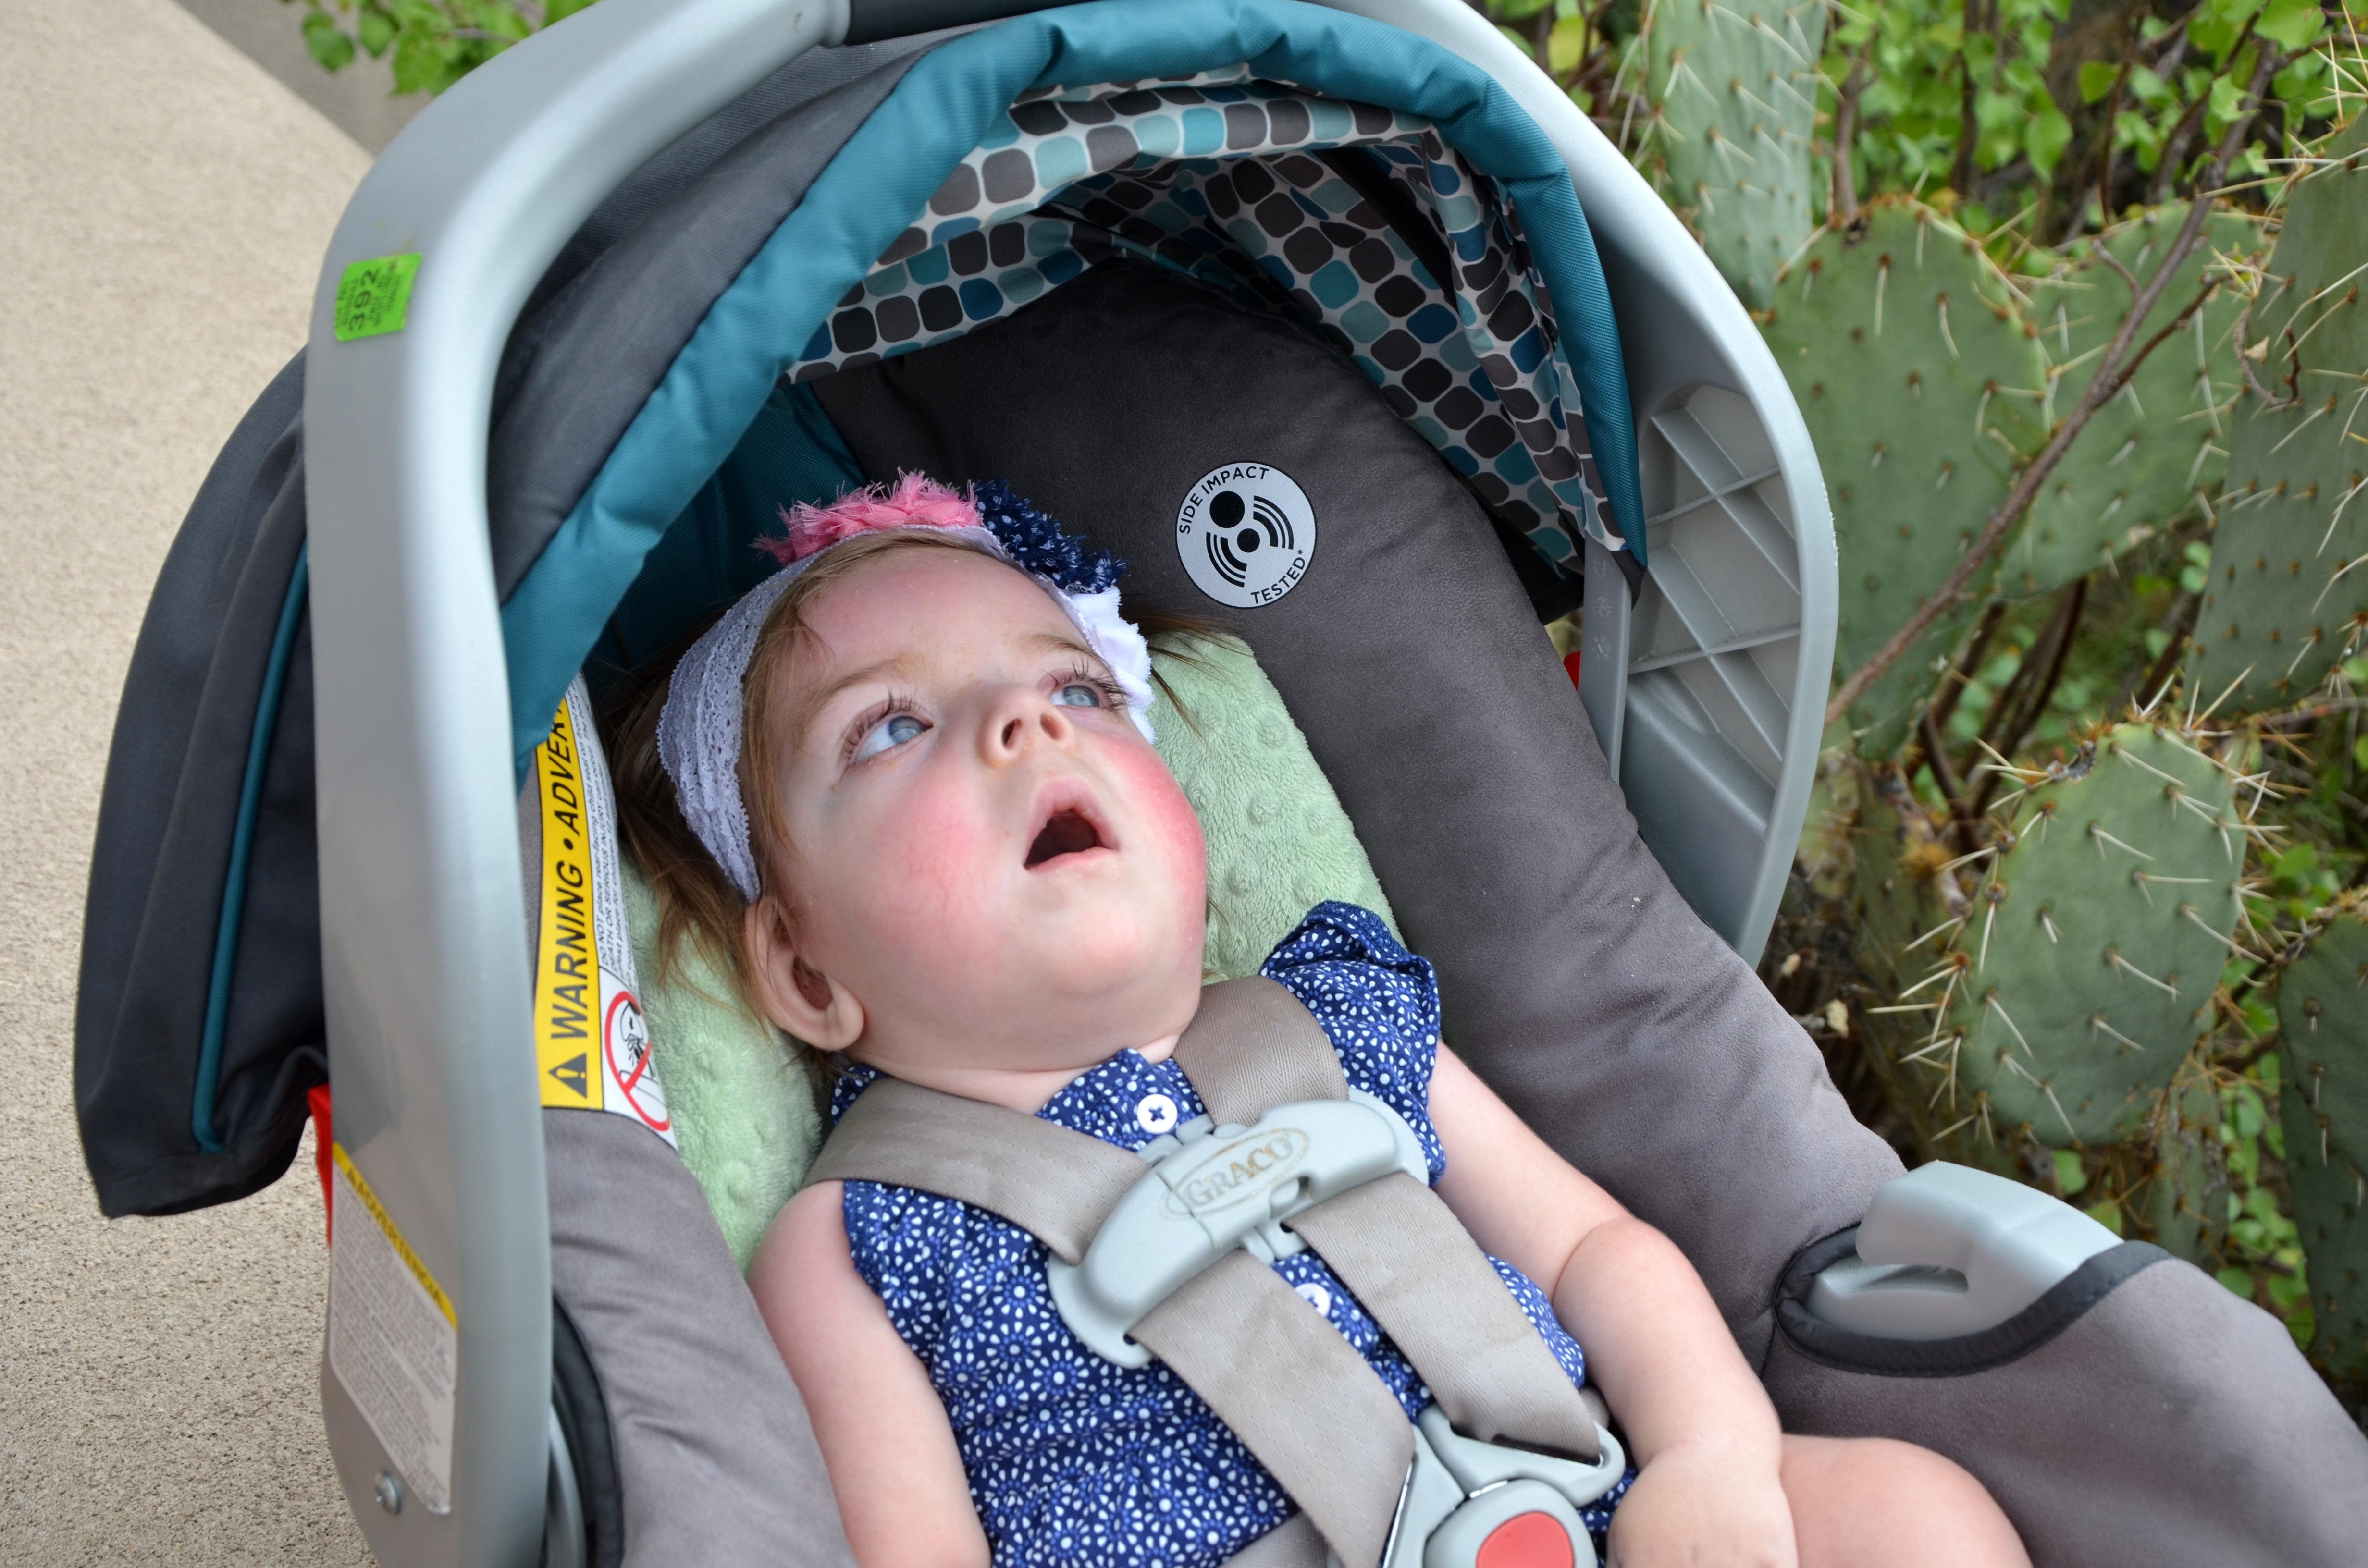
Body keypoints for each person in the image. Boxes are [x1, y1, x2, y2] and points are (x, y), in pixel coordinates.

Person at [604, 475, 2030, 1568]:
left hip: (1578, 1517)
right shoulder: (855, 1243)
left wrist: (1712, 1459)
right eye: (892, 728)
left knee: (1909, 1513)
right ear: (804, 974)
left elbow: (1595, 1251)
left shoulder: (1340, 1024)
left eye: (1077, 686)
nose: (1024, 725)